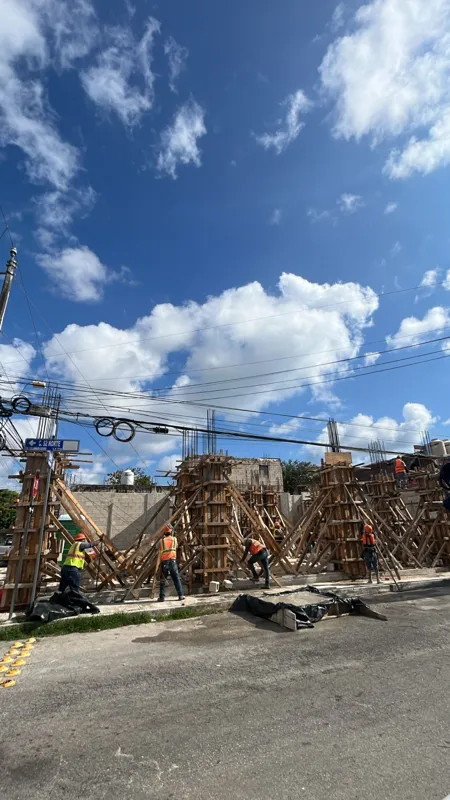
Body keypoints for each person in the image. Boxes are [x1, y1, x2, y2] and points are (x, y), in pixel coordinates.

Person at [158, 524, 185, 602]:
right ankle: (181, 595)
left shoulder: (161, 541)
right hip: (172, 561)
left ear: (164, 533)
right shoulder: (174, 539)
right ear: (171, 532)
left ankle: (162, 597)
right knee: (176, 579)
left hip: (164, 563)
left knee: (163, 580)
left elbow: (159, 548)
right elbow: (176, 547)